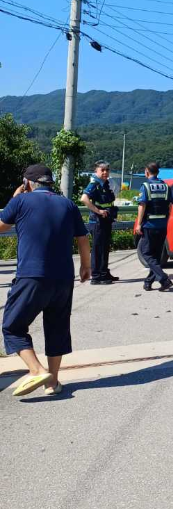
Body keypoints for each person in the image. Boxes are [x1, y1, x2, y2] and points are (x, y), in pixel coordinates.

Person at [0, 164, 91, 398]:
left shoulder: (20, 202)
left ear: (28, 183)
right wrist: (86, 266)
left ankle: (37, 369)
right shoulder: (68, 204)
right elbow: (82, 238)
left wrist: (14, 199)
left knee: (12, 326)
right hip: (63, 278)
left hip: (31, 276)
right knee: (57, 328)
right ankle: (53, 383)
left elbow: (1, 227)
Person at [135, 162, 173, 292]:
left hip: (149, 225)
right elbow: (170, 207)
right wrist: (166, 221)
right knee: (156, 256)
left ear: (146, 171)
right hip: (162, 225)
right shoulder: (166, 186)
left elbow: (142, 205)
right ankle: (148, 282)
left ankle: (164, 278)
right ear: (158, 172)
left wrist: (139, 224)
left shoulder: (146, 186)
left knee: (146, 253)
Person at [81, 160, 119, 285]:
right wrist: (98, 211)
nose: (105, 172)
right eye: (102, 170)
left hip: (106, 220)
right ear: (96, 171)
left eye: (107, 170)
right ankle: (96, 276)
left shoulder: (105, 183)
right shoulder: (94, 184)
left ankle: (104, 272)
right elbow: (84, 199)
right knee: (98, 249)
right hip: (97, 221)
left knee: (105, 248)